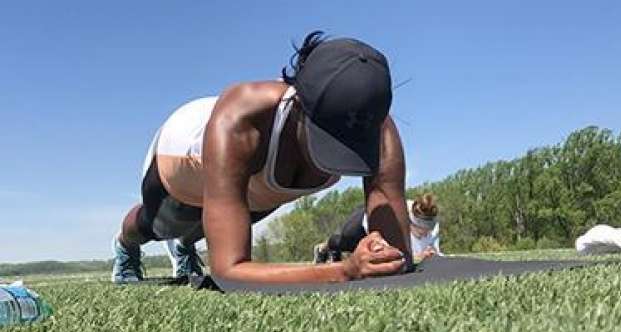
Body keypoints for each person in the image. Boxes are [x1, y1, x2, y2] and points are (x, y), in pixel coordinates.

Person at [112, 31, 412, 284]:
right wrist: (343, 271)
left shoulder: (373, 124)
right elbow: (229, 271)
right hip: (183, 160)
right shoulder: (241, 119)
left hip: (259, 188)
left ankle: (186, 248)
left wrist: (386, 256)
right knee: (161, 226)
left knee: (214, 227)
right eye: (328, 139)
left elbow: (396, 254)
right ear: (297, 104)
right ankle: (125, 246)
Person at [314, 193, 441, 264]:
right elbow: (389, 255)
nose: (425, 233)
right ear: (409, 221)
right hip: (366, 221)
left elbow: (435, 254)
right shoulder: (394, 218)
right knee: (342, 242)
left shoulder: (433, 228)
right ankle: (323, 249)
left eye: (428, 229)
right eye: (420, 229)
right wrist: (418, 256)